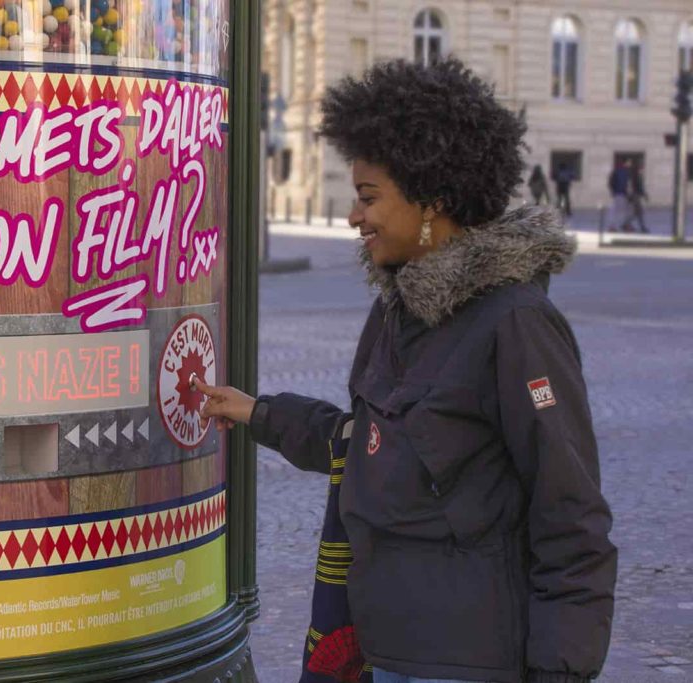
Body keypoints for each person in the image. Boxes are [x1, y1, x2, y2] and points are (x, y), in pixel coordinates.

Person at [197, 58, 617, 683]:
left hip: (470, 662)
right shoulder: (397, 309)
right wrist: (259, 413)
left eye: (369, 198)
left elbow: (571, 513)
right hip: (382, 650)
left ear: (433, 200)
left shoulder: (516, 324)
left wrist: (560, 670)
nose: (353, 216)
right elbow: (369, 445)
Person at [606, 160, 633, 232]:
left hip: (621, 194)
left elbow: (611, 183)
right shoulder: (622, 172)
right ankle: (613, 226)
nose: (630, 164)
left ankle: (624, 225)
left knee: (625, 210)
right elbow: (624, 184)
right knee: (618, 210)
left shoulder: (622, 172)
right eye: (628, 163)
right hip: (620, 193)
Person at [629, 165, 649, 233]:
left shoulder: (636, 176)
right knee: (639, 212)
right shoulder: (638, 176)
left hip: (636, 196)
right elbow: (640, 187)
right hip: (637, 196)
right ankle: (642, 227)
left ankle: (626, 223)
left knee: (637, 213)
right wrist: (645, 195)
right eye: (642, 168)